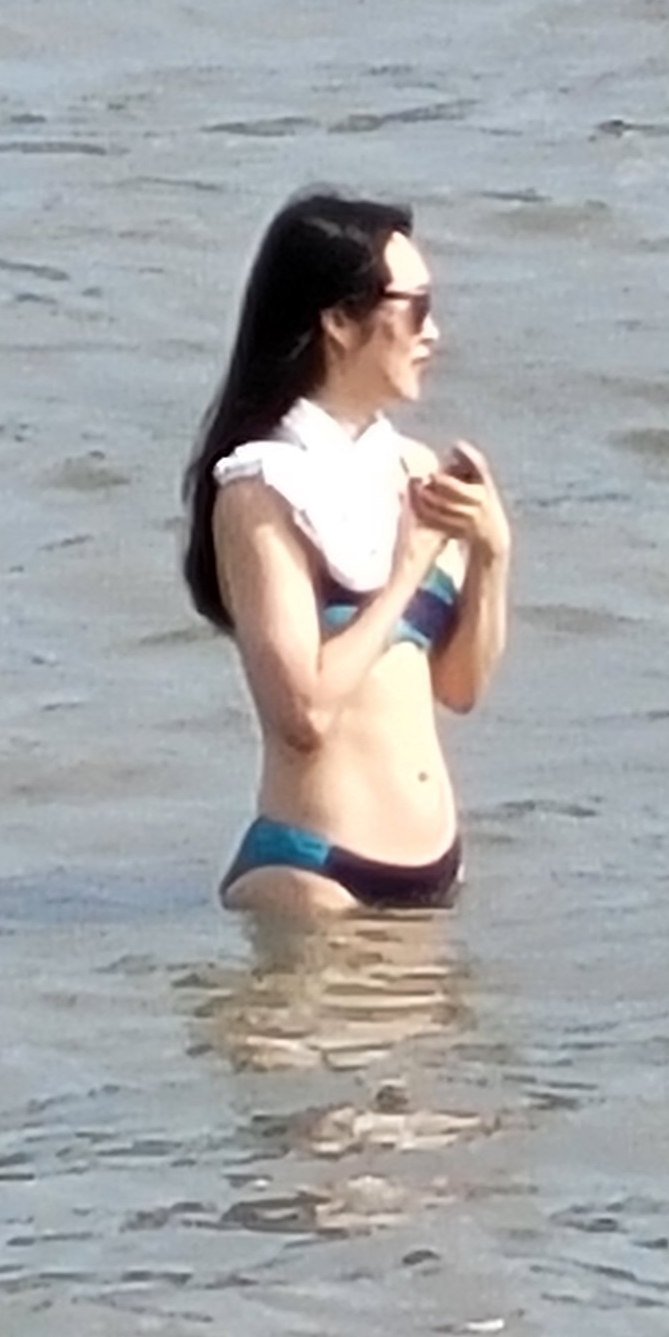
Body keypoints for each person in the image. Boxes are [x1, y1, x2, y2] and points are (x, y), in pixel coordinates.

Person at [182, 192, 513, 917]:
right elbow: (303, 714)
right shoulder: (260, 491)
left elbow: (458, 687)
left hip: (435, 877)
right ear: (337, 321)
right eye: (416, 310)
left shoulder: (413, 469)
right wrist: (407, 570)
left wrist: (492, 554)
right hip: (318, 878)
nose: (433, 334)